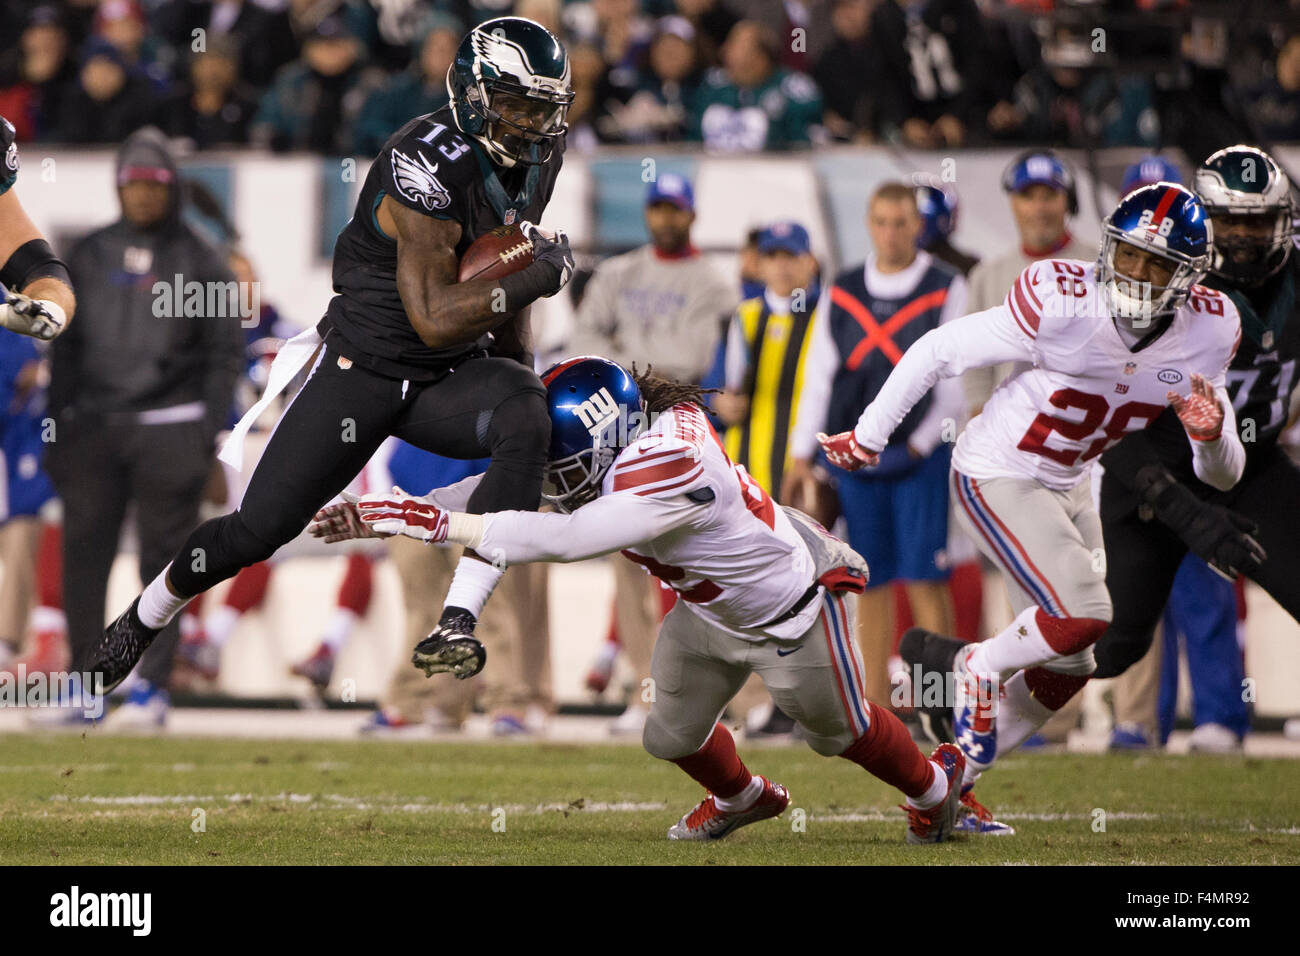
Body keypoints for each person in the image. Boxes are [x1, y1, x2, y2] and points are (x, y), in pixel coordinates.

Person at [86, 17, 577, 698]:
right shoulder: (424, 162)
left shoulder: (538, 157)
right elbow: (434, 319)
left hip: (449, 377)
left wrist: (514, 374)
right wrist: (535, 275)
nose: (531, 124)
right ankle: (145, 617)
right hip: (366, 369)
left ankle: (458, 619)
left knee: (528, 412)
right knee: (259, 530)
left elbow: (503, 273)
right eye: (518, 105)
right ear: (473, 93)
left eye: (543, 109)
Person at [311, 357, 967, 845]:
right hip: (708, 612)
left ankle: (938, 788)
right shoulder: (615, 441)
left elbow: (565, 539)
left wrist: (427, 522)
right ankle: (743, 797)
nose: (551, 480)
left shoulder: (665, 464)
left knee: (838, 734)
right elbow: (506, 494)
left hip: (787, 611)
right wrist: (394, 512)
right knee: (668, 733)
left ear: (603, 442)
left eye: (560, 468)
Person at [823, 183, 1244, 829]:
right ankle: (974, 667)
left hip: (1074, 480)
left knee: (1074, 661)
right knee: (1085, 613)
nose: (1137, 273)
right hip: (998, 468)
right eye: (1129, 255)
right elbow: (939, 350)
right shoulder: (1062, 299)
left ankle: (946, 787)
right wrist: (871, 434)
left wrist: (1210, 433)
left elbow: (1220, 473)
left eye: (1158, 265)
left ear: (1188, 278)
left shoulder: (1209, 331)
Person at [1088, 146, 1300, 747]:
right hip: (1152, 468)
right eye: (1229, 219)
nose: (1242, 235)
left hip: (1248, 465)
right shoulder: (1162, 273)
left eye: (1258, 220)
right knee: (1111, 643)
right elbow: (1110, 415)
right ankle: (972, 672)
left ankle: (1217, 718)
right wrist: (1179, 507)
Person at [47, 128, 244, 727]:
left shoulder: (203, 261)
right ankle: (86, 689)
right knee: (85, 558)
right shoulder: (88, 253)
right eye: (129, 184)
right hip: (95, 430)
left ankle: (152, 690)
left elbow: (223, 356)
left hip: (171, 428)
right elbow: (67, 350)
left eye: (151, 184)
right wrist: (58, 426)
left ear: (171, 188)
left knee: (163, 565)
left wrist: (209, 430)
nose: (139, 195)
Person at [788, 182, 968, 710]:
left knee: (926, 577)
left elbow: (954, 381)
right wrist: (802, 453)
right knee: (867, 579)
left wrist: (917, 445)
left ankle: (943, 704)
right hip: (854, 461)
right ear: (869, 223)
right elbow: (818, 375)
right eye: (881, 221)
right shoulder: (842, 289)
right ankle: (874, 708)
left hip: (919, 461)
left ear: (918, 225)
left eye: (901, 222)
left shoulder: (944, 286)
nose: (891, 233)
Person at [568, 171, 735, 734]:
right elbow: (580, 342)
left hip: (676, 429)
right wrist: (639, 364)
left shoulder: (712, 281)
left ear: (691, 215)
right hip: (616, 434)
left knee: (689, 563)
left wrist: (620, 361)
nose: (665, 218)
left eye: (675, 209)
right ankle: (645, 691)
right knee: (626, 562)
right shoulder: (618, 272)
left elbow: (692, 356)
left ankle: (714, 696)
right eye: (657, 208)